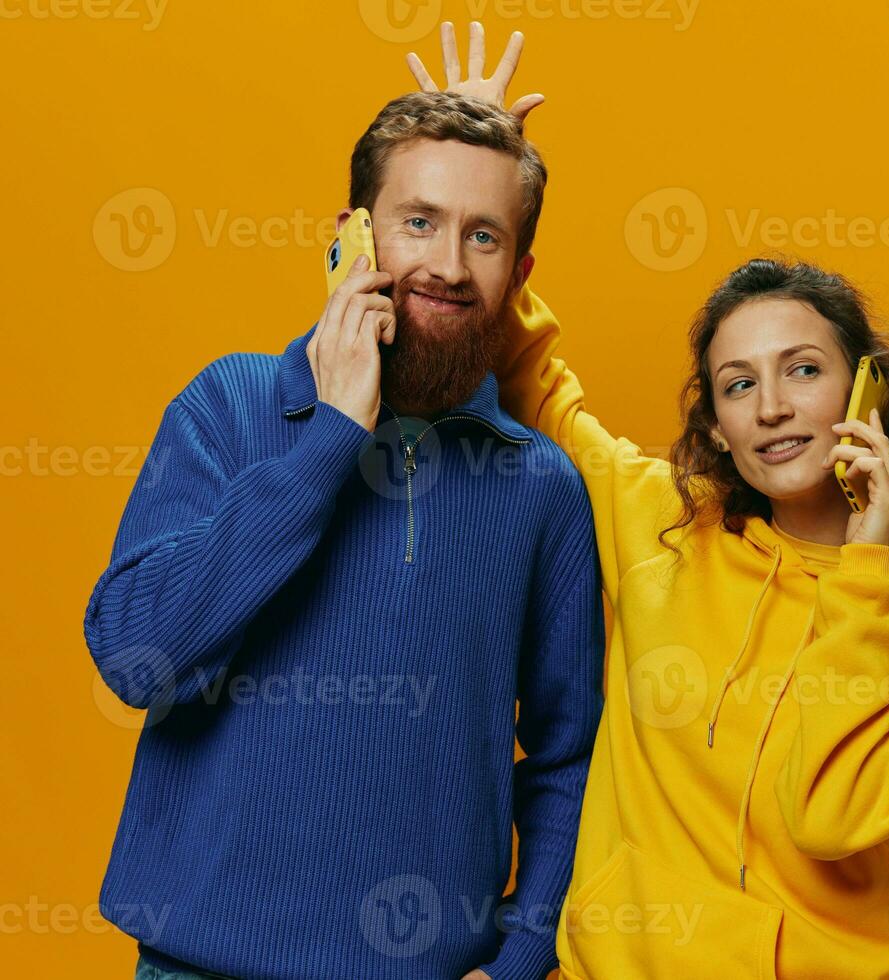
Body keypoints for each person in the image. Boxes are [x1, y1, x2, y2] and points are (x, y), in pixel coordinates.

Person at [410, 24, 889, 978]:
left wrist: (866, 564)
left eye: (804, 371)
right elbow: (535, 380)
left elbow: (834, 815)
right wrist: (482, 159)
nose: (773, 407)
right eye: (738, 385)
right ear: (718, 423)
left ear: (871, 391)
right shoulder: (665, 522)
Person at [84, 54, 602, 980]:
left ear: (520, 272)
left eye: (483, 236)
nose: (446, 265)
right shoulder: (231, 405)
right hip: (196, 963)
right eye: (418, 221)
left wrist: (525, 955)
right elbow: (132, 654)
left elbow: (567, 755)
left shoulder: (543, 489)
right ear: (352, 240)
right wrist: (327, 442)